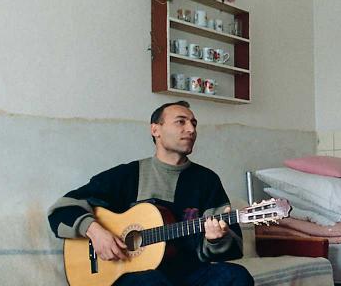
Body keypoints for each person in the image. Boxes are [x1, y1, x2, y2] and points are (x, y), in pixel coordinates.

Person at [48, 101, 253, 286]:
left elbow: (232, 247)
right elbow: (62, 208)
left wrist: (215, 239)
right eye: (180, 122)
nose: (191, 129)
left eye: (193, 124)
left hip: (189, 273)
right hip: (132, 276)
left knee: (237, 276)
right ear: (156, 129)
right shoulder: (127, 175)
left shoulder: (206, 180)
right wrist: (96, 232)